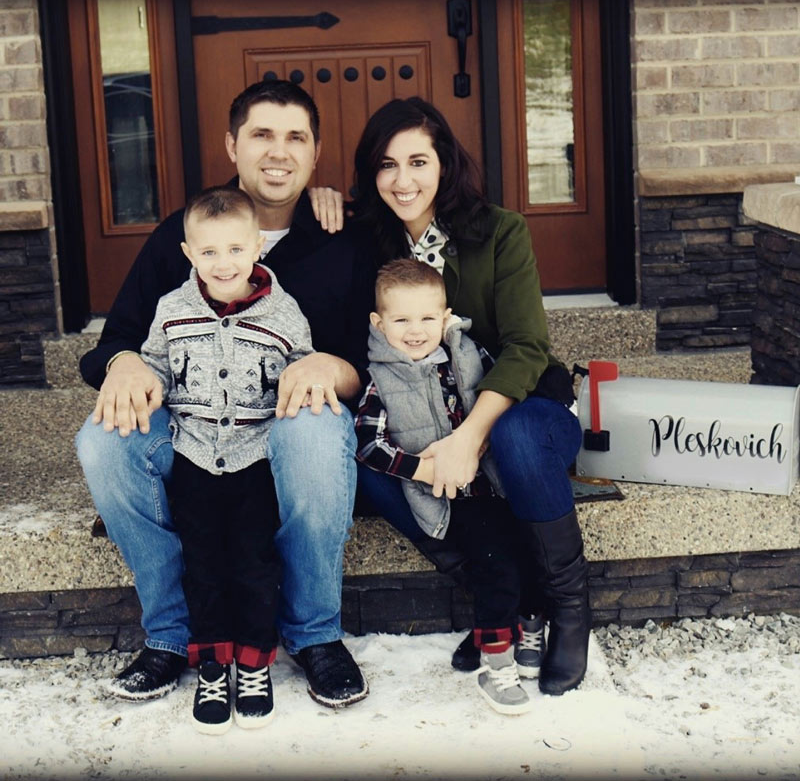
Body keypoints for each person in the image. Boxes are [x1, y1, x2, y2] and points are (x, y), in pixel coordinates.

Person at [75, 79, 373, 708]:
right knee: (103, 441)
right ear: (232, 144)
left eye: (296, 138)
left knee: (316, 430)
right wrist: (126, 362)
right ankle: (170, 635)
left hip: (287, 429)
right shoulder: (183, 236)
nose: (278, 152)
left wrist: (328, 367)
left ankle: (314, 633)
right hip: (193, 429)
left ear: (316, 154)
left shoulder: (341, 235)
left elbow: (371, 365)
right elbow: (120, 339)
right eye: (262, 134)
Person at [351, 97, 588, 696]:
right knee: (354, 450)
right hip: (425, 419)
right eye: (385, 165)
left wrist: (467, 437)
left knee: (514, 437)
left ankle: (565, 611)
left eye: (417, 161)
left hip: (525, 408)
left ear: (445, 164)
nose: (402, 181)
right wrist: (315, 200)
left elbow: (527, 348)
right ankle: (494, 601)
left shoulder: (498, 231)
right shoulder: (365, 244)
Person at [138, 186, 314, 734]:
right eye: (209, 252)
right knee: (204, 564)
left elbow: (302, 365)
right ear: (190, 253)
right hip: (193, 457)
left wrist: (300, 380)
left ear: (258, 247)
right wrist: (145, 386)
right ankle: (214, 665)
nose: (223, 263)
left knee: (254, 564)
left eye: (236, 250)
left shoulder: (283, 312)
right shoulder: (172, 309)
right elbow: (155, 366)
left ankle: (255, 662)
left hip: (254, 460)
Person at [356, 259, 545, 713]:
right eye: (401, 320)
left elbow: (500, 401)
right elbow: (368, 445)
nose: (416, 331)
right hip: (451, 498)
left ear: (445, 318)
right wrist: (423, 470)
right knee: (494, 567)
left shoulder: (469, 354)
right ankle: (496, 665)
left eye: (427, 318)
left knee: (530, 549)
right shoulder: (381, 380)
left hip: (495, 481)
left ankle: (528, 625)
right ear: (379, 325)